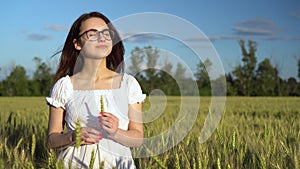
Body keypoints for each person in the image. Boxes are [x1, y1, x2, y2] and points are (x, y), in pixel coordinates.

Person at [46, 11, 146, 169]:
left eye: (107, 33)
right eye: (92, 34)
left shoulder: (128, 84)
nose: (102, 38)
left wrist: (116, 132)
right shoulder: (64, 86)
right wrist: (73, 136)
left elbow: (138, 138)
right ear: (77, 44)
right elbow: (52, 140)